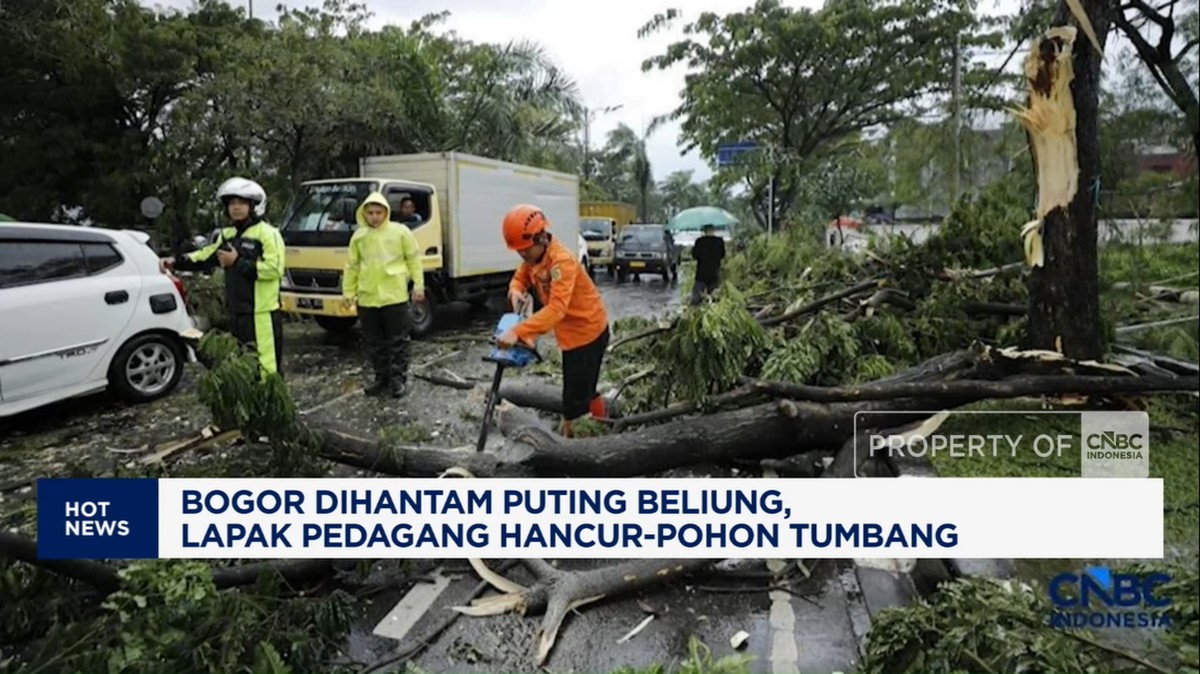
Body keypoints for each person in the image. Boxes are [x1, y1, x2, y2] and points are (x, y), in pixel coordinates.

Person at [495, 204, 609, 438]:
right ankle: (601, 427)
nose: (522, 255)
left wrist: (518, 331)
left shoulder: (562, 262)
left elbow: (557, 310)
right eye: (519, 252)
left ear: (540, 238)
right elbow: (521, 276)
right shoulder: (535, 258)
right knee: (583, 390)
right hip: (572, 334)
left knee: (574, 402)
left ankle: (579, 445)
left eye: (525, 250)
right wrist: (515, 290)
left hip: (587, 333)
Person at [161, 177, 286, 376]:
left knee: (266, 367)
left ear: (254, 206)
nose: (235, 208)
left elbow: (274, 269)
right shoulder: (227, 235)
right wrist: (176, 261)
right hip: (236, 312)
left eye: (241, 203)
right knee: (244, 362)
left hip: (261, 314)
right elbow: (206, 256)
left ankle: (269, 404)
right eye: (231, 203)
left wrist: (237, 262)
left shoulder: (268, 234)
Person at [341, 191, 425, 398]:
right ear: (364, 214)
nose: (375, 216)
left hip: (394, 297)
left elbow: (414, 260)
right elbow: (351, 267)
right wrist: (348, 293)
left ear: (386, 212)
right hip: (368, 298)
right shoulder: (359, 237)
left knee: (398, 341)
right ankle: (381, 378)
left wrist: (419, 286)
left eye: (379, 212)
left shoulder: (400, 232)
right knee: (374, 342)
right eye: (370, 212)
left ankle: (398, 380)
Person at [689, 224, 726, 305]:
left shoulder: (699, 241)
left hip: (701, 273)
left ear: (704, 231)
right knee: (715, 297)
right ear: (713, 230)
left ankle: (695, 311)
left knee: (696, 298)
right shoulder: (719, 241)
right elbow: (722, 255)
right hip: (714, 272)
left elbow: (695, 256)